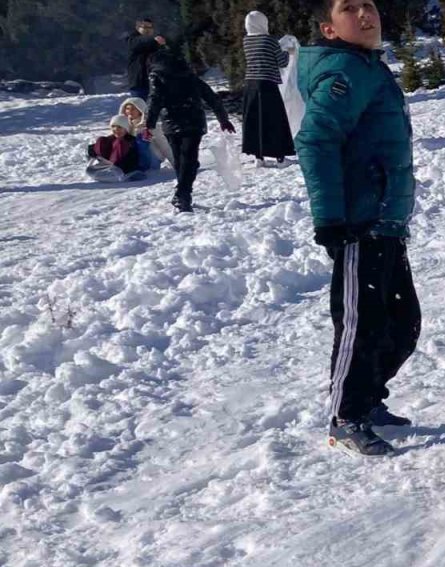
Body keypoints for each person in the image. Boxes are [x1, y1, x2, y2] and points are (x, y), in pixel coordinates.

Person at [295, 0, 421, 457]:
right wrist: (329, 218)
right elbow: (314, 139)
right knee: (361, 325)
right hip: (358, 223)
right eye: (350, 8)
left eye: (369, 5)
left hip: (386, 220)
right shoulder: (344, 74)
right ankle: (345, 417)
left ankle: (367, 400)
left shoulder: (368, 67)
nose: (366, 14)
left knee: (402, 324)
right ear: (330, 29)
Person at [145, 48, 236, 212]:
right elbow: (210, 96)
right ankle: (183, 195)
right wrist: (223, 119)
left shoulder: (156, 75)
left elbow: (155, 99)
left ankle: (183, 195)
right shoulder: (188, 74)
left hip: (171, 121)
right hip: (194, 120)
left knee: (181, 160)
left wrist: (149, 124)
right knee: (188, 158)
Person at [242, 11, 296, 165]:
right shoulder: (269, 40)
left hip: (250, 84)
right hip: (267, 84)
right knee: (274, 120)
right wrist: (289, 52)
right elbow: (281, 62)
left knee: (255, 121)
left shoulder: (246, 41)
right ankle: (280, 156)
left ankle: (258, 157)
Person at [86, 115, 146, 182]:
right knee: (101, 140)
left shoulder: (131, 141)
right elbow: (93, 149)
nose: (116, 129)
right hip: (106, 166)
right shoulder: (110, 139)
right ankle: (104, 168)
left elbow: (135, 159)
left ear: (126, 129)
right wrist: (94, 153)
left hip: (123, 169)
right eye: (113, 126)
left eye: (119, 127)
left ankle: (113, 171)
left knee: (119, 142)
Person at [119, 97, 174, 170]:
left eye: (133, 109)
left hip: (152, 159)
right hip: (134, 158)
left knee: (140, 140)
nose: (129, 111)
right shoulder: (123, 125)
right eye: (127, 109)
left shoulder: (150, 125)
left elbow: (164, 146)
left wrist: (176, 163)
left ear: (140, 110)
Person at [125, 18, 165, 99]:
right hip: (139, 84)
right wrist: (155, 40)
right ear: (137, 28)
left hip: (155, 83)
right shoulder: (132, 40)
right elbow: (141, 42)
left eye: (150, 28)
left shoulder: (154, 44)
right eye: (145, 27)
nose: (148, 30)